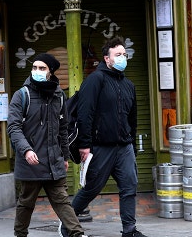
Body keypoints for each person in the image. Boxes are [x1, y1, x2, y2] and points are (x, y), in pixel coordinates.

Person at [71, 37, 147, 237]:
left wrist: (132, 144)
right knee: (91, 189)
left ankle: (129, 230)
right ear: (107, 59)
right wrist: (84, 145)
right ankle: (67, 223)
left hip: (124, 147)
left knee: (129, 187)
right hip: (101, 146)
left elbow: (133, 117)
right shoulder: (95, 80)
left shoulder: (129, 85)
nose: (122, 58)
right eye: (118, 55)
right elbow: (84, 113)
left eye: (124, 54)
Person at [7, 53, 87, 237]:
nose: (37, 71)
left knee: (62, 201)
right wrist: (26, 150)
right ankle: (20, 234)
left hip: (54, 160)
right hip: (31, 162)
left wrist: (65, 156)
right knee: (26, 203)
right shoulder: (22, 95)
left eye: (42, 68)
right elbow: (13, 127)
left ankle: (77, 234)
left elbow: (63, 128)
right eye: (34, 67)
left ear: (51, 71)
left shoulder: (58, 96)